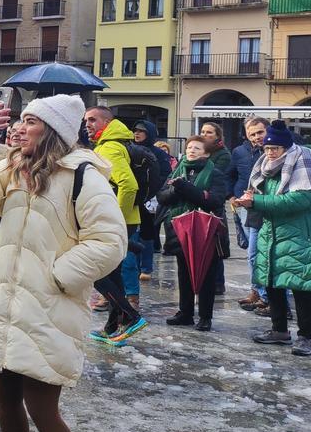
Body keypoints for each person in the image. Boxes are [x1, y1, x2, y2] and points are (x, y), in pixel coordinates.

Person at [0, 95, 126, 432]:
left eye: (31, 122)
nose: (20, 128)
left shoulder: (82, 174)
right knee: (5, 399)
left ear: (53, 131)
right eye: (22, 120)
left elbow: (110, 241)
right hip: (4, 302)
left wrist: (58, 275)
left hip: (48, 306)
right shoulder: (15, 167)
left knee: (42, 407)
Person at [237, 120, 311, 357]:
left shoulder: (304, 161)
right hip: (273, 233)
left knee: (301, 286)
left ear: (286, 148)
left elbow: (298, 200)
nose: (270, 152)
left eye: (275, 148)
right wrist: (249, 196)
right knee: (272, 282)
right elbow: (263, 193)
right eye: (267, 148)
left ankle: (305, 337)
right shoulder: (266, 166)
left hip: (303, 235)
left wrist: (256, 202)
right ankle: (279, 330)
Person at [82, 106, 146, 340]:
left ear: (107, 122)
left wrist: (115, 219)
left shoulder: (109, 147)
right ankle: (112, 325)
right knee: (113, 273)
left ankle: (130, 315)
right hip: (126, 219)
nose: (87, 124)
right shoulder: (112, 143)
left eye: (93, 120)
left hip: (119, 220)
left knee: (95, 270)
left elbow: (129, 185)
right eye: (85, 120)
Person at [158, 136, 227, 331]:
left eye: (197, 148)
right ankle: (185, 312)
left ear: (206, 153)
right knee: (184, 273)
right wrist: (176, 190)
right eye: (189, 147)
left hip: (205, 230)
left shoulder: (215, 173)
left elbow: (215, 200)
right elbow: (162, 196)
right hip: (180, 227)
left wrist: (185, 188)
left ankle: (205, 316)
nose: (191, 150)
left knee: (206, 273)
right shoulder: (178, 170)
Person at [229, 117, 270, 312]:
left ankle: (269, 296)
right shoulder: (239, 152)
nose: (256, 137)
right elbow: (230, 174)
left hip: (269, 208)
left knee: (267, 254)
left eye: (260, 132)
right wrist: (232, 195)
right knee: (252, 253)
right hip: (247, 207)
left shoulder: (277, 152)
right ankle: (258, 291)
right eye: (252, 134)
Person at [131, 120, 172, 282]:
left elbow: (165, 174)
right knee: (131, 233)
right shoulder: (129, 149)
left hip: (150, 198)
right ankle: (133, 266)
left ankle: (146, 267)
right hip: (132, 196)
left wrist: (152, 190)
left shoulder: (159, 153)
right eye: (135, 130)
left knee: (147, 234)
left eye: (141, 131)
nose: (137, 133)